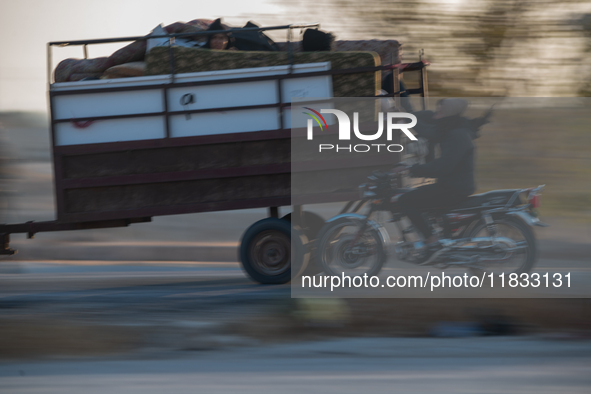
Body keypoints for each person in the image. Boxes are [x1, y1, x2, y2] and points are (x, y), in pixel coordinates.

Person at [394, 98, 476, 249]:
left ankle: (431, 239)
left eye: (439, 113)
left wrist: (411, 169)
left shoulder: (456, 136)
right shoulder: (453, 130)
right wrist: (403, 111)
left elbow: (442, 167)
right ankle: (436, 234)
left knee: (405, 201)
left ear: (448, 115)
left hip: (453, 188)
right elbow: (426, 128)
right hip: (453, 185)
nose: (434, 116)